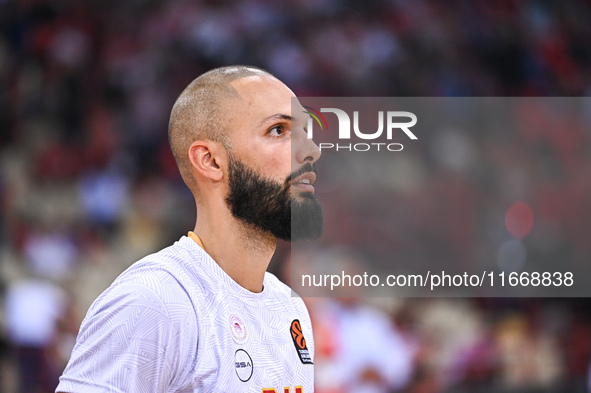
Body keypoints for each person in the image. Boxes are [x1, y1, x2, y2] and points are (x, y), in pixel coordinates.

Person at [56, 65, 323, 392]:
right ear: (210, 161)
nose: (311, 150)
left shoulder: (290, 307)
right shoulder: (154, 299)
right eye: (279, 130)